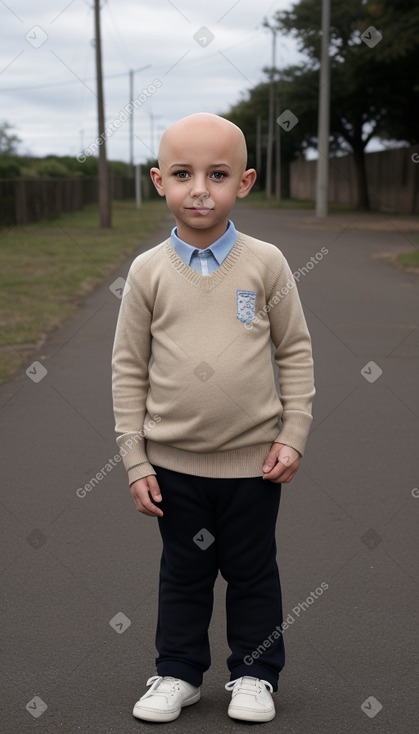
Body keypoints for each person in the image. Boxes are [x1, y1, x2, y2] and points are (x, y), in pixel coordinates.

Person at [111, 112, 315, 723]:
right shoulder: (147, 272)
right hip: (172, 465)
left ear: (244, 182)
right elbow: (128, 367)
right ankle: (177, 673)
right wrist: (134, 457)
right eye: (183, 174)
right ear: (159, 181)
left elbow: (295, 350)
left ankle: (254, 675)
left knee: (253, 572)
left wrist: (294, 432)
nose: (200, 188)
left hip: (253, 465)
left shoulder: (267, 263)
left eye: (218, 174)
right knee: (184, 573)